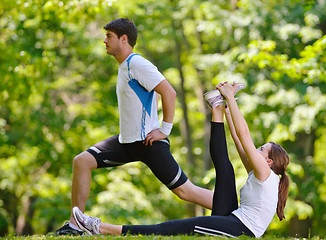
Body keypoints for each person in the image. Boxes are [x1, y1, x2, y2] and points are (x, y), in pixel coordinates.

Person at [51, 18, 213, 236]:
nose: (104, 41)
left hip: (148, 143)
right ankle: (75, 225)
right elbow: (152, 93)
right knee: (82, 161)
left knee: (185, 191)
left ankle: (236, 210)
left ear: (124, 38)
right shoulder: (125, 66)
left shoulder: (137, 63)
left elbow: (169, 92)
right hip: (126, 142)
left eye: (109, 36)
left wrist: (164, 130)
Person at [71, 82, 290, 238]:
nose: (257, 150)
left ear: (269, 161)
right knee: (225, 168)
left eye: (263, 149)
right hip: (234, 216)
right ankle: (216, 107)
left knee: (173, 228)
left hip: (241, 230)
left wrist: (232, 98)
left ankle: (98, 227)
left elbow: (245, 136)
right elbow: (237, 139)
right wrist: (225, 107)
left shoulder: (266, 173)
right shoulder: (261, 173)